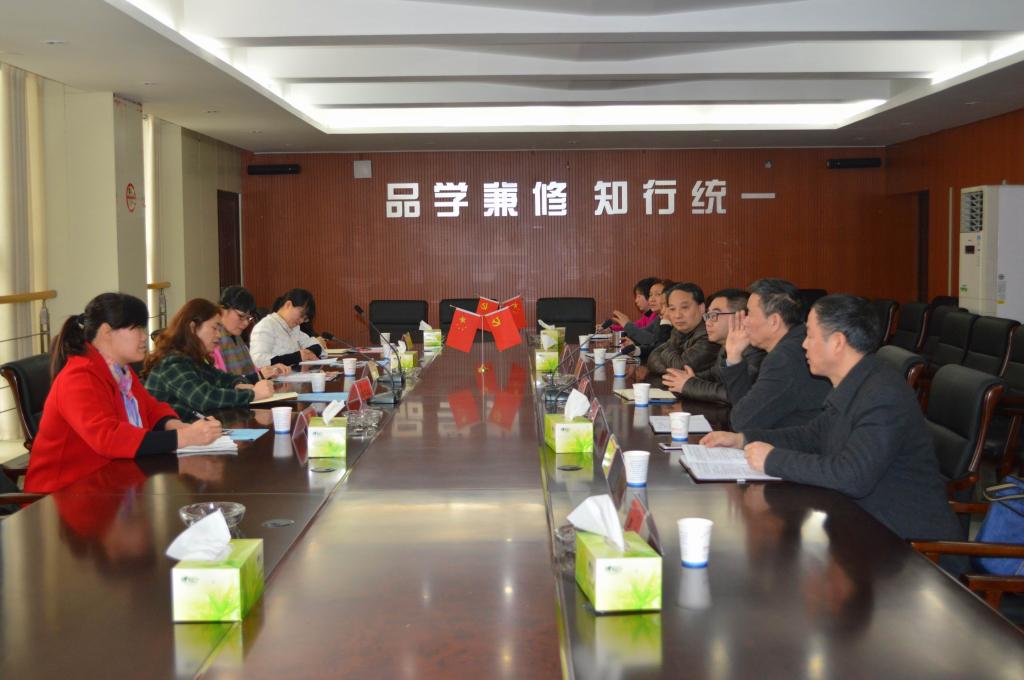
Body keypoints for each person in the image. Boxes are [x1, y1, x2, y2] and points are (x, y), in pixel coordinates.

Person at [701, 294, 964, 542]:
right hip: (860, 524)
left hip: (910, 545)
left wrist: (772, 460)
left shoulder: (882, 395)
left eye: (810, 335)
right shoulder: (857, 381)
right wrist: (743, 439)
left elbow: (852, 476)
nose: (803, 344)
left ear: (837, 342)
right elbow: (811, 435)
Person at [24, 293, 222, 493]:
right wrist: (183, 438)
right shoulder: (78, 376)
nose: (144, 336)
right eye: (136, 328)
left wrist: (176, 425)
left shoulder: (119, 370)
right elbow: (108, 437)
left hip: (111, 483)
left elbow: (151, 408)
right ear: (106, 331)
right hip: (65, 494)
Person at [717, 278, 830, 430]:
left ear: (774, 321)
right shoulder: (796, 342)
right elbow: (749, 409)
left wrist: (733, 356)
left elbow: (742, 421)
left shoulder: (784, 358)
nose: (744, 321)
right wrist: (734, 356)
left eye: (749, 314)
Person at [144, 298, 275, 419]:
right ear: (193, 328)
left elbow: (221, 378)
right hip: (176, 435)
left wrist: (237, 384)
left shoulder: (193, 358)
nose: (219, 335)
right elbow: (204, 398)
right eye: (214, 328)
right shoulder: (171, 362)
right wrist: (253, 394)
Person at [663, 288, 765, 404]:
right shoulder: (724, 347)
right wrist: (689, 378)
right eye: (708, 315)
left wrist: (689, 384)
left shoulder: (755, 351)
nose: (708, 322)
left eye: (714, 315)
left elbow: (736, 394)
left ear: (740, 318)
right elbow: (714, 375)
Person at [214, 285, 290, 381]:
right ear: (222, 310)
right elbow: (222, 382)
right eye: (241, 316)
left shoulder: (237, 338)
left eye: (248, 318)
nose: (246, 323)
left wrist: (270, 370)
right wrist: (260, 375)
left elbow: (252, 371)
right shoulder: (212, 342)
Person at [645, 282, 720, 375]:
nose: (677, 315)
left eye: (684, 307)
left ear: (701, 308)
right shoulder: (678, 331)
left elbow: (680, 367)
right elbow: (652, 359)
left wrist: (667, 350)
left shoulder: (709, 336)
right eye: (672, 309)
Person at [249, 288, 326, 368]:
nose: (301, 321)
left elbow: (316, 345)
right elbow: (258, 361)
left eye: (305, 318)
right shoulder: (265, 326)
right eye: (301, 315)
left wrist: (308, 352)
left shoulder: (294, 328)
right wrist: (297, 356)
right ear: (288, 305)